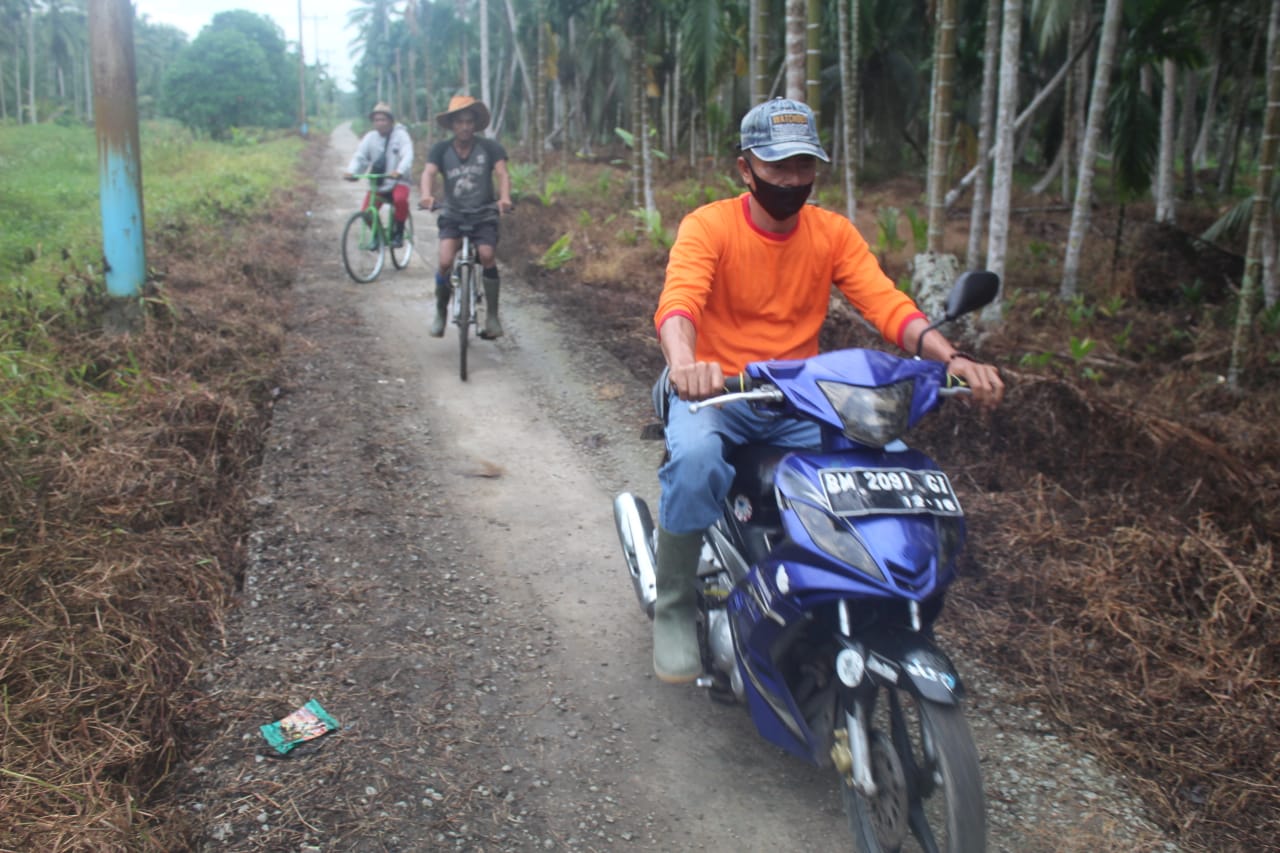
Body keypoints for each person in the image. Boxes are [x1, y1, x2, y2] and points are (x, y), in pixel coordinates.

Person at [651, 98, 1005, 684]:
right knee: (694, 462)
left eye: (803, 167)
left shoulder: (830, 232)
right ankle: (674, 605)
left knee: (885, 466)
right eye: (777, 167)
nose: (791, 180)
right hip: (722, 394)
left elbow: (886, 304)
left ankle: (857, 599)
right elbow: (679, 303)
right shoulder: (708, 226)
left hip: (800, 397)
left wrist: (952, 357)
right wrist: (687, 363)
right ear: (746, 169)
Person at [419, 95, 514, 339]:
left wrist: (504, 199)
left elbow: (502, 173)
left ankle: (492, 316)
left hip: (483, 214)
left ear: (475, 124)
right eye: (459, 121)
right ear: (452, 124)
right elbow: (428, 173)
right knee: (444, 261)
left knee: (487, 255)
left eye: (469, 121)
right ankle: (441, 311)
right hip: (453, 213)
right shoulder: (441, 149)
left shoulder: (490, 147)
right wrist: (427, 195)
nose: (464, 126)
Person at [343, 102, 414, 249]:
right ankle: (378, 235)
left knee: (400, 200)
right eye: (376, 120)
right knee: (366, 212)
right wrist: (352, 172)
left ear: (390, 121)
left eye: (383, 119)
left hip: (397, 181)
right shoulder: (370, 138)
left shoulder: (401, 135)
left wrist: (399, 171)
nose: (380, 123)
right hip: (379, 183)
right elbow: (360, 157)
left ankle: (398, 233)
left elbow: (407, 154)